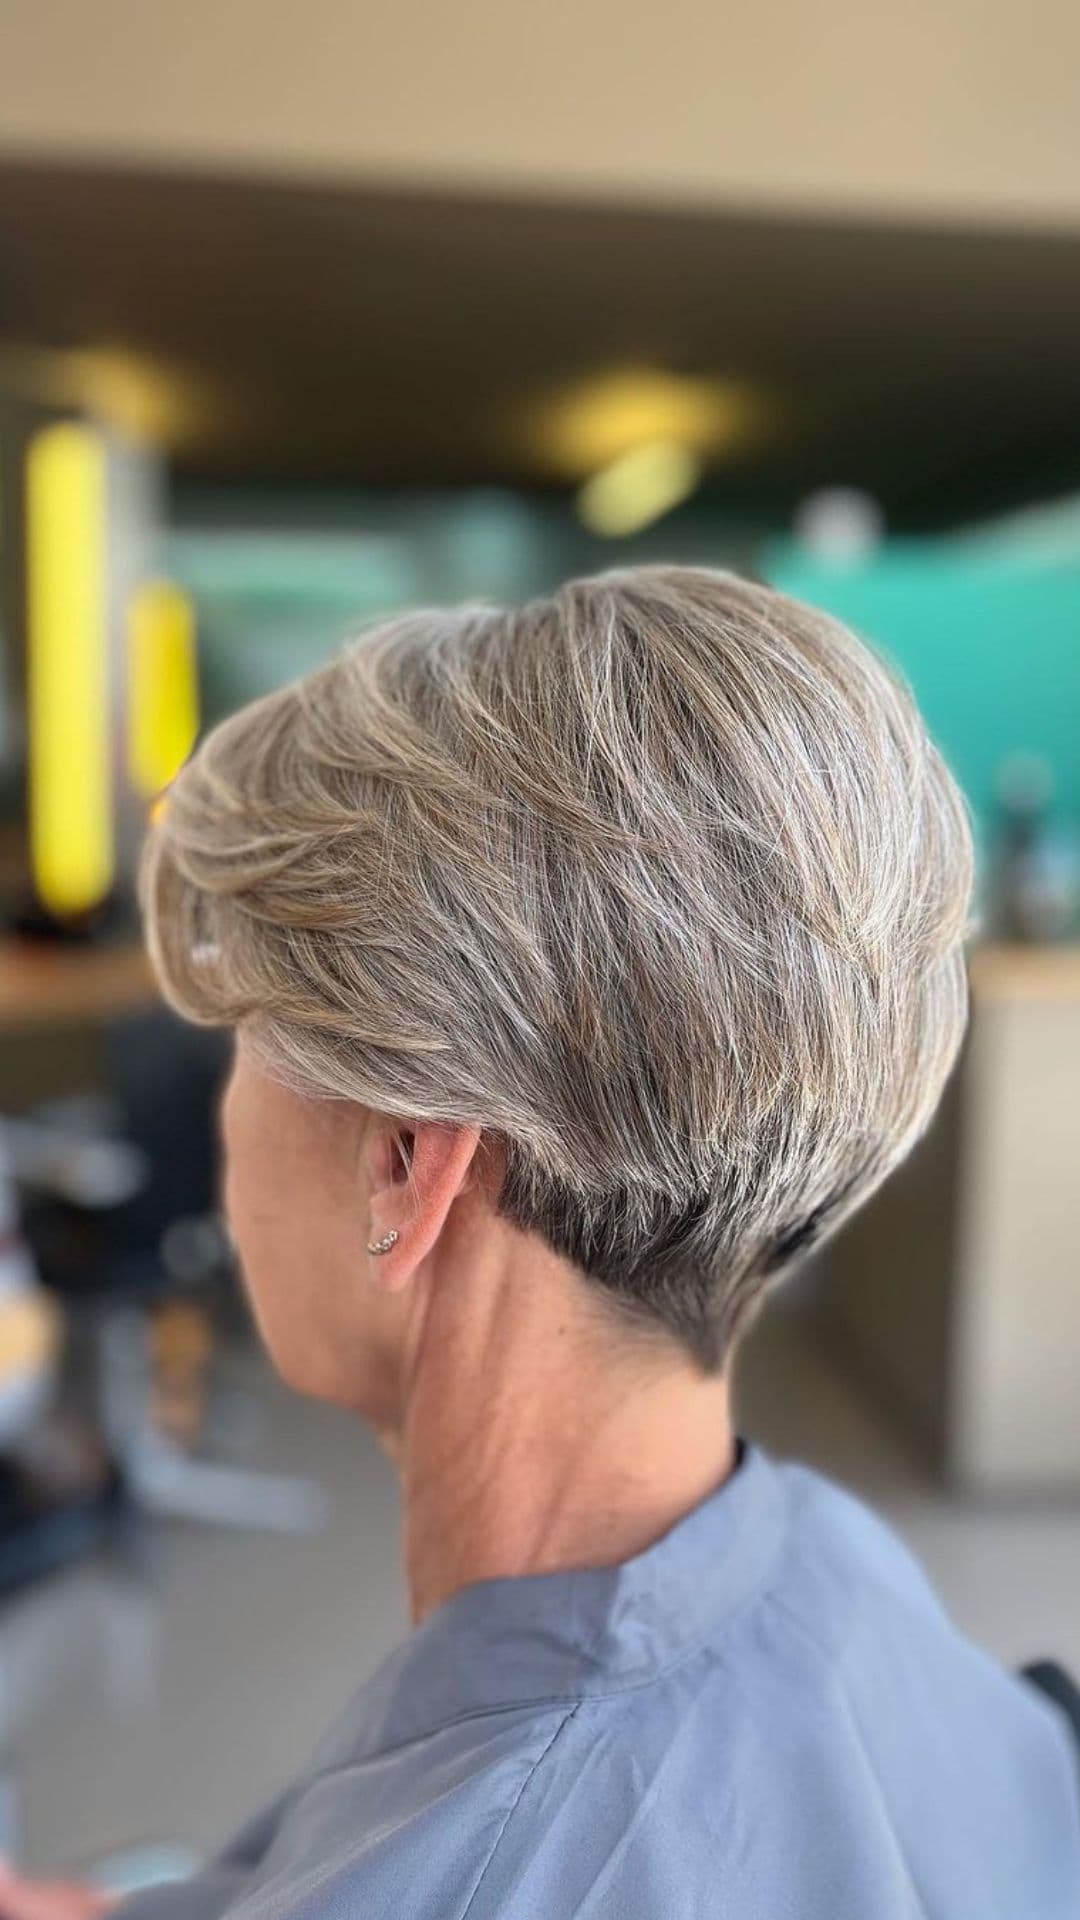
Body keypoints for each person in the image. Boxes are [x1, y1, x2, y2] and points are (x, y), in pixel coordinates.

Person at [4, 567, 1077, 1919]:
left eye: (252, 1046)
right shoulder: (826, 1564)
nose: (231, 1115)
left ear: (406, 1162)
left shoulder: (476, 1870)